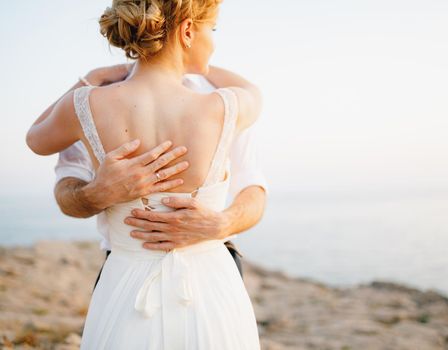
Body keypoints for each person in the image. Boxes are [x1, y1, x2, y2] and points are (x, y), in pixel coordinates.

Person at [26, 0, 263, 348]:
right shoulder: (224, 106)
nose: (213, 41)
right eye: (211, 30)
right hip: (211, 283)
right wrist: (198, 64)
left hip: (124, 282)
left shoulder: (86, 103)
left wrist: (90, 78)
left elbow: (36, 139)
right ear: (186, 31)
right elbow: (256, 92)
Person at [53, 65, 268, 291]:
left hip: (213, 270)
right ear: (186, 29)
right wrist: (96, 193)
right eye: (211, 29)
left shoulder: (222, 97)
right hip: (124, 274)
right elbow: (66, 190)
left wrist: (223, 224)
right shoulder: (92, 101)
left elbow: (252, 186)